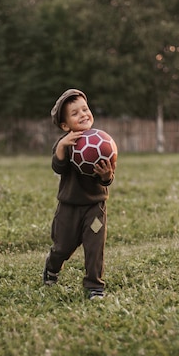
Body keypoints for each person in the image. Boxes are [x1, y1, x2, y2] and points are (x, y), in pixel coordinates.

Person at [43, 88, 116, 300]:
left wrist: (106, 176)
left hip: (95, 207)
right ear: (65, 125)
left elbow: (108, 178)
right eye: (75, 113)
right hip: (69, 207)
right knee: (62, 247)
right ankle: (52, 267)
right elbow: (58, 167)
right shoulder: (64, 144)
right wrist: (61, 147)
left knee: (95, 246)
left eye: (85, 109)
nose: (83, 114)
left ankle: (94, 286)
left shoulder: (102, 142)